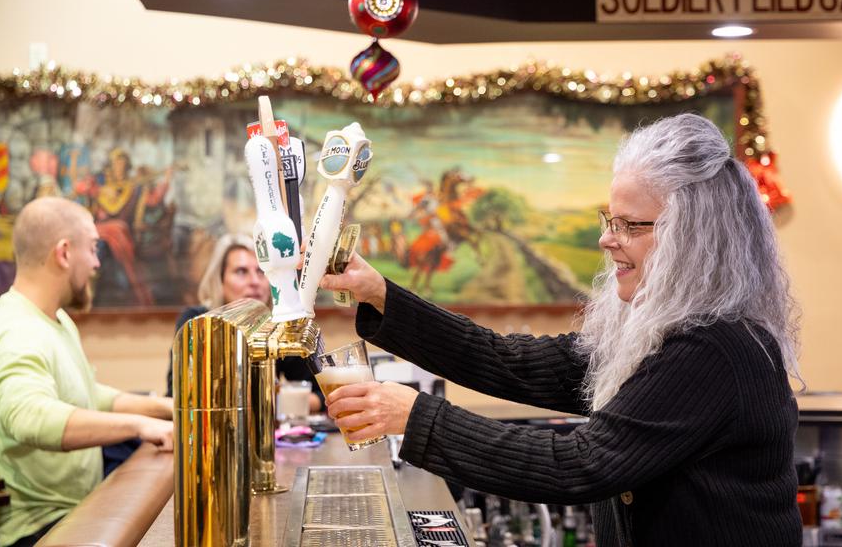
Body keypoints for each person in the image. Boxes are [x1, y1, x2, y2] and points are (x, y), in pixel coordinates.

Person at [319, 114, 803, 546]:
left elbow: (583, 464)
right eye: (609, 219)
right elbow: (512, 362)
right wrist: (379, 292)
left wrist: (416, 417)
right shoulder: (656, 331)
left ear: (696, 238)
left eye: (631, 225)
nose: (606, 239)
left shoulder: (714, 347)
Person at [0, 197, 175, 547]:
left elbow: (85, 395)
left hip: (75, 505)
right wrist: (139, 426)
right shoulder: (17, 329)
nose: (96, 264)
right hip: (38, 526)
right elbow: (29, 416)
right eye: (93, 249)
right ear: (64, 253)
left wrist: (166, 408)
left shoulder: (55, 319)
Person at [165, 234, 324, 412]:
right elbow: (178, 397)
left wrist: (277, 401)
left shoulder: (280, 325)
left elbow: (319, 395)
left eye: (261, 272)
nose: (255, 282)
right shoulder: (197, 322)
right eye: (241, 272)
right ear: (220, 280)